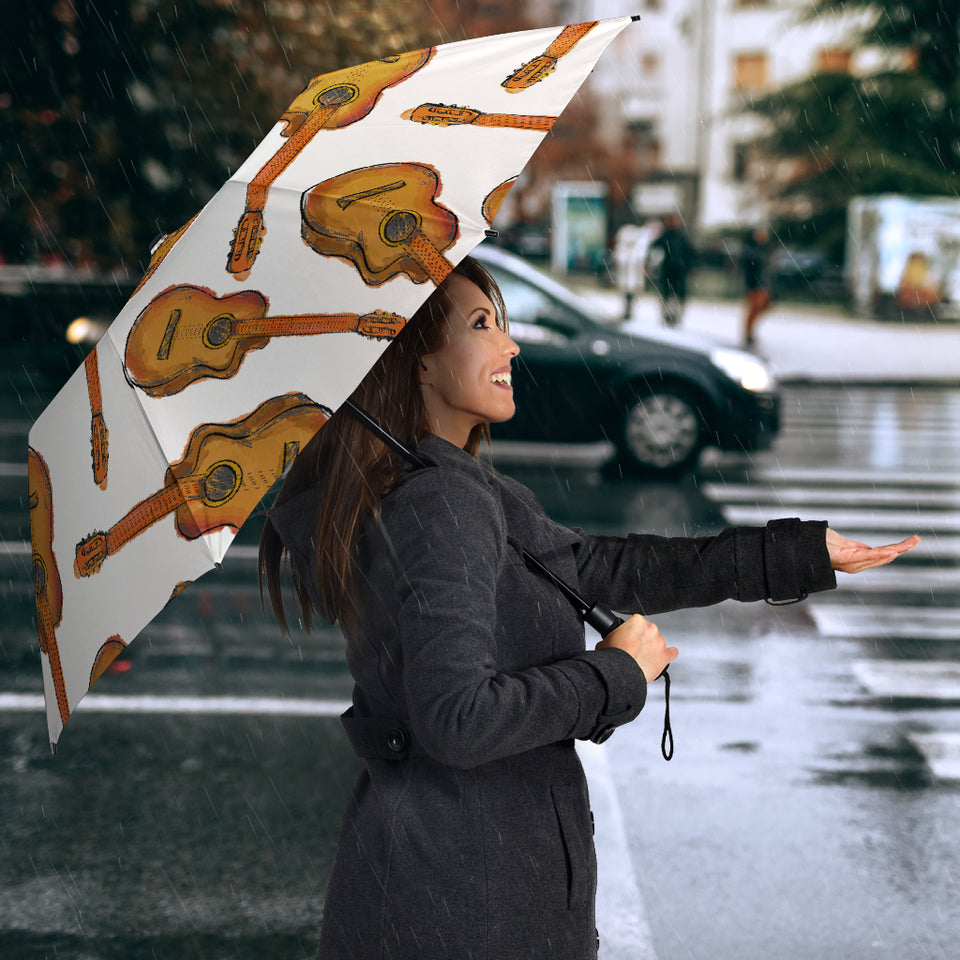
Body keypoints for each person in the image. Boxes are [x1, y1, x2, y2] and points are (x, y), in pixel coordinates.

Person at [259, 256, 919, 960]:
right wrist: (613, 673)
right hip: (466, 903)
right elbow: (457, 720)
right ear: (417, 362)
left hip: (454, 884)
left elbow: (604, 567)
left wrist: (796, 554)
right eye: (482, 325)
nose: (510, 345)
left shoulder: (452, 488)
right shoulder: (439, 504)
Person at [648, 213, 695, 327]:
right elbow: (654, 249)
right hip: (668, 270)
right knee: (667, 294)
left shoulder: (681, 237)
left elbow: (690, 253)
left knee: (677, 295)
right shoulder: (665, 236)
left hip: (679, 271)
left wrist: (690, 267)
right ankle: (667, 315)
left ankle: (675, 316)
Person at [741, 226, 773, 347]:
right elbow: (750, 265)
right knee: (754, 308)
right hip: (755, 284)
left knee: (762, 306)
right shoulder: (751, 250)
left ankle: (750, 331)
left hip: (763, 283)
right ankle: (748, 333)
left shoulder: (763, 249)